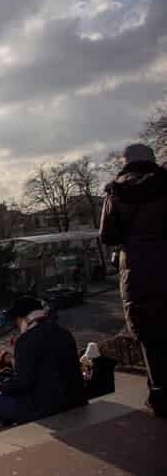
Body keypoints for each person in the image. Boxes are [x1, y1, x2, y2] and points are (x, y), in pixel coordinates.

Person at [100, 143, 167, 418]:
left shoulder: (116, 192)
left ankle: (160, 395)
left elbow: (108, 236)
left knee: (150, 336)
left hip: (138, 273)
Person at [0, 296, 86, 436]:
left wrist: (1, 386)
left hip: (45, 409)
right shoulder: (63, 333)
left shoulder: (25, 341)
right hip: (75, 400)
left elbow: (23, 382)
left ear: (23, 319)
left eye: (17, 322)